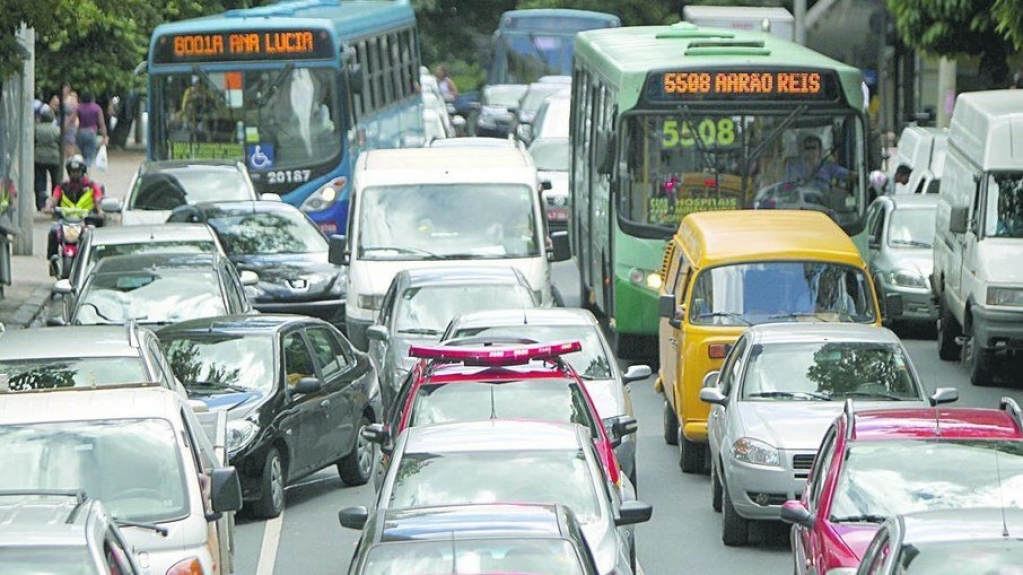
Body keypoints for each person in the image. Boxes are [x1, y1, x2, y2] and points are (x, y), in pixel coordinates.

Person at [43, 154, 105, 261]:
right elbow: (54, 198)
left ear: (82, 171)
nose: (75, 174)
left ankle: (98, 259)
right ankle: (52, 260)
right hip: (66, 220)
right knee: (54, 231)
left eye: (77, 171)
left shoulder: (91, 186)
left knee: (98, 236)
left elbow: (98, 198)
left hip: (86, 220)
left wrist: (99, 211)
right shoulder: (63, 186)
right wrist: (49, 207)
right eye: (72, 171)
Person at [784, 135, 850, 189]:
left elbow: (848, 175)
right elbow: (785, 186)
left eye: (814, 148)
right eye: (807, 148)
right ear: (803, 151)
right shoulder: (793, 167)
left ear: (820, 150)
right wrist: (795, 185)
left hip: (824, 203)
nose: (811, 151)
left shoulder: (828, 167)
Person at [33, 107, 62, 211]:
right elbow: (61, 142)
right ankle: (55, 203)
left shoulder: (36, 128)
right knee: (56, 181)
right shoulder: (57, 129)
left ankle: (40, 204)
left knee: (40, 181)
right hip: (54, 158)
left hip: (39, 158)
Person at [75, 93, 108, 166]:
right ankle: (85, 171)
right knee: (89, 155)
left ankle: (83, 170)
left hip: (80, 132)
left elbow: (71, 119)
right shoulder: (96, 108)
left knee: (83, 154)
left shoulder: (79, 107)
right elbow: (102, 123)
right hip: (91, 131)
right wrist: (104, 136)